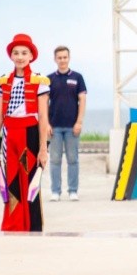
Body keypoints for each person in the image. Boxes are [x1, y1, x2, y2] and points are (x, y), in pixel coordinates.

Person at [0, 33, 50, 232]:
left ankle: (32, 226)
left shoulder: (39, 81)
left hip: (29, 135)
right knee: (11, 181)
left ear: (31, 56)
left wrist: (43, 149)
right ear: (11, 56)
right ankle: (13, 225)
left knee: (30, 181)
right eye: (16, 53)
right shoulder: (4, 81)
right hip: (9, 136)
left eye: (24, 53)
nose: (20, 57)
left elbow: (43, 117)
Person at [47, 46, 87, 201]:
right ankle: (55, 191)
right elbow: (43, 103)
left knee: (73, 159)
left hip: (72, 126)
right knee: (54, 160)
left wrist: (79, 122)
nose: (62, 60)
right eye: (59, 58)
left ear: (69, 58)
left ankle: (73, 191)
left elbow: (82, 100)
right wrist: (46, 124)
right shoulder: (49, 79)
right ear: (55, 59)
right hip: (54, 127)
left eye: (65, 57)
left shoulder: (77, 77)